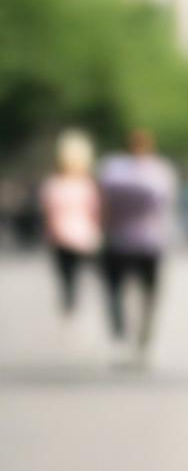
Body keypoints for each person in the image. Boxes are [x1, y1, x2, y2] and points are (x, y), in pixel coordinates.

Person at [96, 127, 178, 365]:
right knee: (149, 295)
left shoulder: (112, 170)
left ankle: (123, 336)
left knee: (116, 292)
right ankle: (143, 339)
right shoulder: (160, 171)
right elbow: (166, 206)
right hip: (150, 241)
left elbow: (103, 204)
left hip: (119, 239)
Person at [38, 128, 103, 342]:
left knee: (71, 276)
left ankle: (71, 306)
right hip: (72, 236)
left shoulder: (71, 184)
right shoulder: (68, 184)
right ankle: (71, 306)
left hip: (75, 236)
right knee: (70, 276)